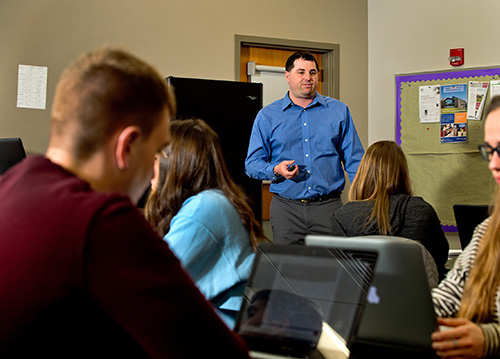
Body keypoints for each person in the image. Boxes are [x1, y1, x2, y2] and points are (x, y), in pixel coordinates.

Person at [0, 48, 250, 358]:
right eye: (157, 152)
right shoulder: (103, 221)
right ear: (127, 146)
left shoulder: (10, 185)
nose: (154, 173)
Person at [431, 84, 500, 358]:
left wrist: (491, 339)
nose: (494, 164)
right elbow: (448, 296)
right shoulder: (489, 230)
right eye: (491, 151)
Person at [145, 118, 266, 328]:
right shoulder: (212, 201)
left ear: (175, 163)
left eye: (155, 159)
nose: (150, 169)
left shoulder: (204, 208)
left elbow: (151, 279)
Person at [245, 51, 364, 245]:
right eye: (301, 72)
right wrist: (276, 170)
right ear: (287, 75)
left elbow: (355, 161)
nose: (308, 77)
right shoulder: (268, 116)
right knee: (289, 271)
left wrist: (362, 204)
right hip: (286, 211)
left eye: (313, 72)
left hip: (329, 207)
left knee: (331, 270)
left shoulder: (339, 111)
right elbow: (251, 164)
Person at [331, 140, 449, 282]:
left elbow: (342, 272)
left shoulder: (342, 217)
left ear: (363, 173)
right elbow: (440, 259)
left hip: (364, 301)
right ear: (402, 173)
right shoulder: (422, 212)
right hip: (417, 300)